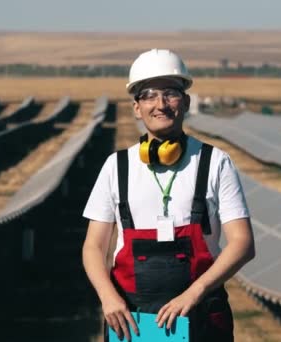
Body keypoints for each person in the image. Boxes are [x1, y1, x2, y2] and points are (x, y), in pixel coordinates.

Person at [82, 48, 255, 342]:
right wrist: (108, 298)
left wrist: (194, 293)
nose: (160, 104)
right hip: (134, 322)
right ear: (136, 107)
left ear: (185, 102)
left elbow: (243, 243)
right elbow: (94, 247)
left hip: (201, 316)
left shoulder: (215, 162)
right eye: (148, 95)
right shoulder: (116, 167)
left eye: (170, 93)